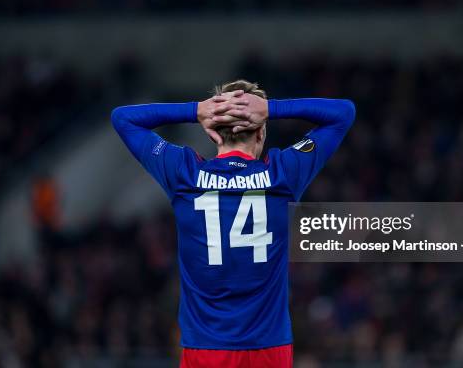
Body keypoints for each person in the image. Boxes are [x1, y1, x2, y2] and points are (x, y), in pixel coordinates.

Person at [111, 80, 355, 368]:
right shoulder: (283, 174)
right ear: (262, 130)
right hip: (269, 347)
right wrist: (272, 108)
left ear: (213, 132)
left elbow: (123, 118)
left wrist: (196, 110)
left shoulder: (184, 174)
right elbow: (344, 112)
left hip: (206, 347)